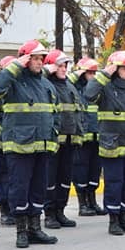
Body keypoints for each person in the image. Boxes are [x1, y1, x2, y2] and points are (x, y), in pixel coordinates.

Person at [0, 40, 60, 248]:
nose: (39, 62)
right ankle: (21, 231)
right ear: (25, 59)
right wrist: (16, 65)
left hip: (42, 146)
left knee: (38, 188)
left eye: (41, 59)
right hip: (19, 146)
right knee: (20, 188)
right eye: (35, 58)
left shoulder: (47, 84)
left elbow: (54, 113)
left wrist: (53, 133)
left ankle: (35, 229)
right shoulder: (12, 81)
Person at [84, 50, 125, 235]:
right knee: (114, 182)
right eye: (124, 67)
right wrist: (105, 73)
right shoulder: (105, 87)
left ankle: (124, 217)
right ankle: (113, 220)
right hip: (111, 144)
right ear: (115, 68)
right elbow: (89, 94)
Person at [44, 49, 83, 229]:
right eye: (59, 65)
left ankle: (60, 211)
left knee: (65, 178)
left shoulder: (69, 86)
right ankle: (50, 213)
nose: (63, 68)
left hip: (70, 140)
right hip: (54, 142)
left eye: (65, 65)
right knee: (50, 179)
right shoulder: (46, 84)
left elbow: (76, 112)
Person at [71, 57, 107, 216]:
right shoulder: (74, 87)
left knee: (94, 170)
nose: (92, 75)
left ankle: (92, 201)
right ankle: (82, 204)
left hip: (97, 135)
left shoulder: (98, 89)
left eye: (94, 72)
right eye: (89, 72)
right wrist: (77, 73)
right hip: (82, 136)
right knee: (80, 170)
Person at [0, 55, 17, 226]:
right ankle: (4, 209)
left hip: (15, 139)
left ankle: (14, 208)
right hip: (2, 140)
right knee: (4, 176)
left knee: (16, 177)